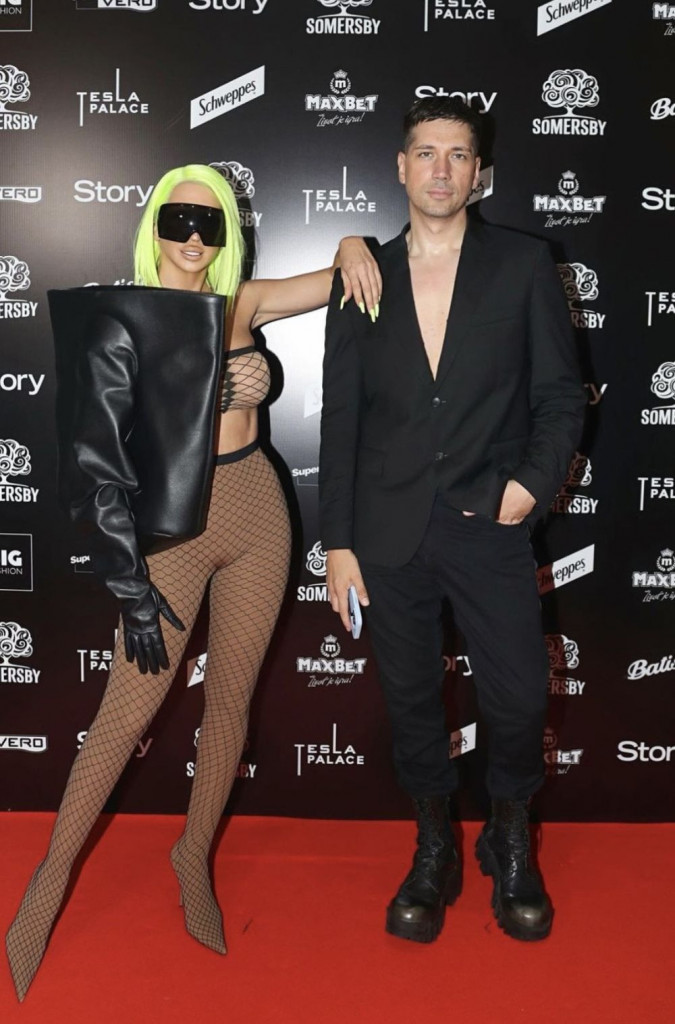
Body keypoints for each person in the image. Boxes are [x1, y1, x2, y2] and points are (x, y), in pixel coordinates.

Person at [6, 163, 381, 1002]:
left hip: (257, 511)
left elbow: (340, 278)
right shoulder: (123, 316)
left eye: (208, 223)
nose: (191, 237)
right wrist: (131, 586)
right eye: (177, 219)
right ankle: (48, 880)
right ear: (153, 225)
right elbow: (97, 462)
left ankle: (192, 855)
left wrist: (355, 239)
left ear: (227, 235)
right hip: (171, 533)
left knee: (231, 702)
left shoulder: (240, 302)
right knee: (123, 712)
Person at [319, 98, 586, 946]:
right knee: (408, 699)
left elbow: (560, 397)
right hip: (386, 528)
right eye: (425, 152)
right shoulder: (360, 275)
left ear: (479, 173)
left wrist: (529, 486)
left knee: (518, 695)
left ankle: (508, 836)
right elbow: (340, 420)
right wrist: (337, 542)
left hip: (488, 521)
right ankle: (432, 842)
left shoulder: (523, 263)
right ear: (400, 167)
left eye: (457, 155)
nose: (440, 169)